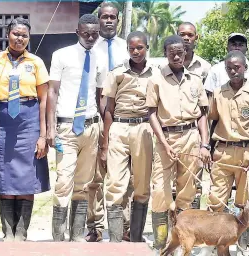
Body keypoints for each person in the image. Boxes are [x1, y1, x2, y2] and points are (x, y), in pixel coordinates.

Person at [0, 17, 50, 242]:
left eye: (24, 35)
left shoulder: (36, 62)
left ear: (28, 38)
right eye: (16, 34)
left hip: (29, 120)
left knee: (26, 174)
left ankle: (21, 232)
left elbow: (44, 100)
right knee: (4, 173)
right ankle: (7, 232)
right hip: (1, 121)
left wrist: (43, 135)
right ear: (8, 35)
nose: (20, 38)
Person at [146, 35, 210, 251]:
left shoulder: (195, 80)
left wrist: (204, 144)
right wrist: (164, 143)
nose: (176, 55)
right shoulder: (156, 79)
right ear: (165, 53)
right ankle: (160, 243)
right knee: (160, 191)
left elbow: (202, 114)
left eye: (180, 52)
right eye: (172, 52)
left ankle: (184, 241)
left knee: (187, 191)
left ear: (186, 52)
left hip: (191, 137)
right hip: (166, 138)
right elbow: (151, 113)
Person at [205, 32, 249, 250]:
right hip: (222, 152)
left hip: (247, 153)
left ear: (245, 68)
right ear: (225, 69)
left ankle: (244, 245)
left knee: (245, 203)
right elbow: (210, 122)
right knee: (216, 201)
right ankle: (216, 245)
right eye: (229, 68)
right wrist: (207, 149)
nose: (233, 71)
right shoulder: (217, 94)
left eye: (237, 67)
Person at [46, 14, 105, 242]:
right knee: (63, 181)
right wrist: (51, 128)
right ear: (77, 32)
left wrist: (104, 131)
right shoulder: (61, 55)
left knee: (83, 184)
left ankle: (77, 235)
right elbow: (52, 91)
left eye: (95, 34)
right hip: (66, 127)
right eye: (86, 33)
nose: (90, 38)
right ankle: (58, 238)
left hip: (91, 127)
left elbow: (100, 96)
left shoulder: (100, 58)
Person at [101, 31, 154, 242]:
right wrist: (105, 143)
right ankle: (115, 238)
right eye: (132, 48)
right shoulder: (116, 74)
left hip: (144, 128)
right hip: (120, 128)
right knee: (115, 183)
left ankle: (135, 237)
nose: (135, 52)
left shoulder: (155, 74)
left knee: (142, 184)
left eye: (140, 48)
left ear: (147, 48)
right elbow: (108, 109)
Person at [86, 2, 131, 242]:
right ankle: (95, 226)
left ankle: (123, 226)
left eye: (113, 17)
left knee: (123, 177)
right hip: (95, 115)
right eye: (104, 17)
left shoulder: (128, 48)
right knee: (95, 176)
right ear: (98, 19)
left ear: (119, 20)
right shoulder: (90, 48)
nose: (109, 21)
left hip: (123, 119)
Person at [177, 21, 211, 210]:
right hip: (170, 132)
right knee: (170, 183)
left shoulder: (205, 68)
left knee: (193, 182)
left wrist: (205, 141)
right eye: (182, 34)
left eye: (190, 35)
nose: (186, 38)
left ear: (196, 38)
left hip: (196, 133)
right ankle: (171, 231)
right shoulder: (163, 67)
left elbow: (206, 107)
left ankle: (192, 227)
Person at [204, 33, 249, 97]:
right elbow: (210, 97)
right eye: (234, 45)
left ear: (247, 49)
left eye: (241, 45)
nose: (237, 48)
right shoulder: (216, 70)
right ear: (227, 48)